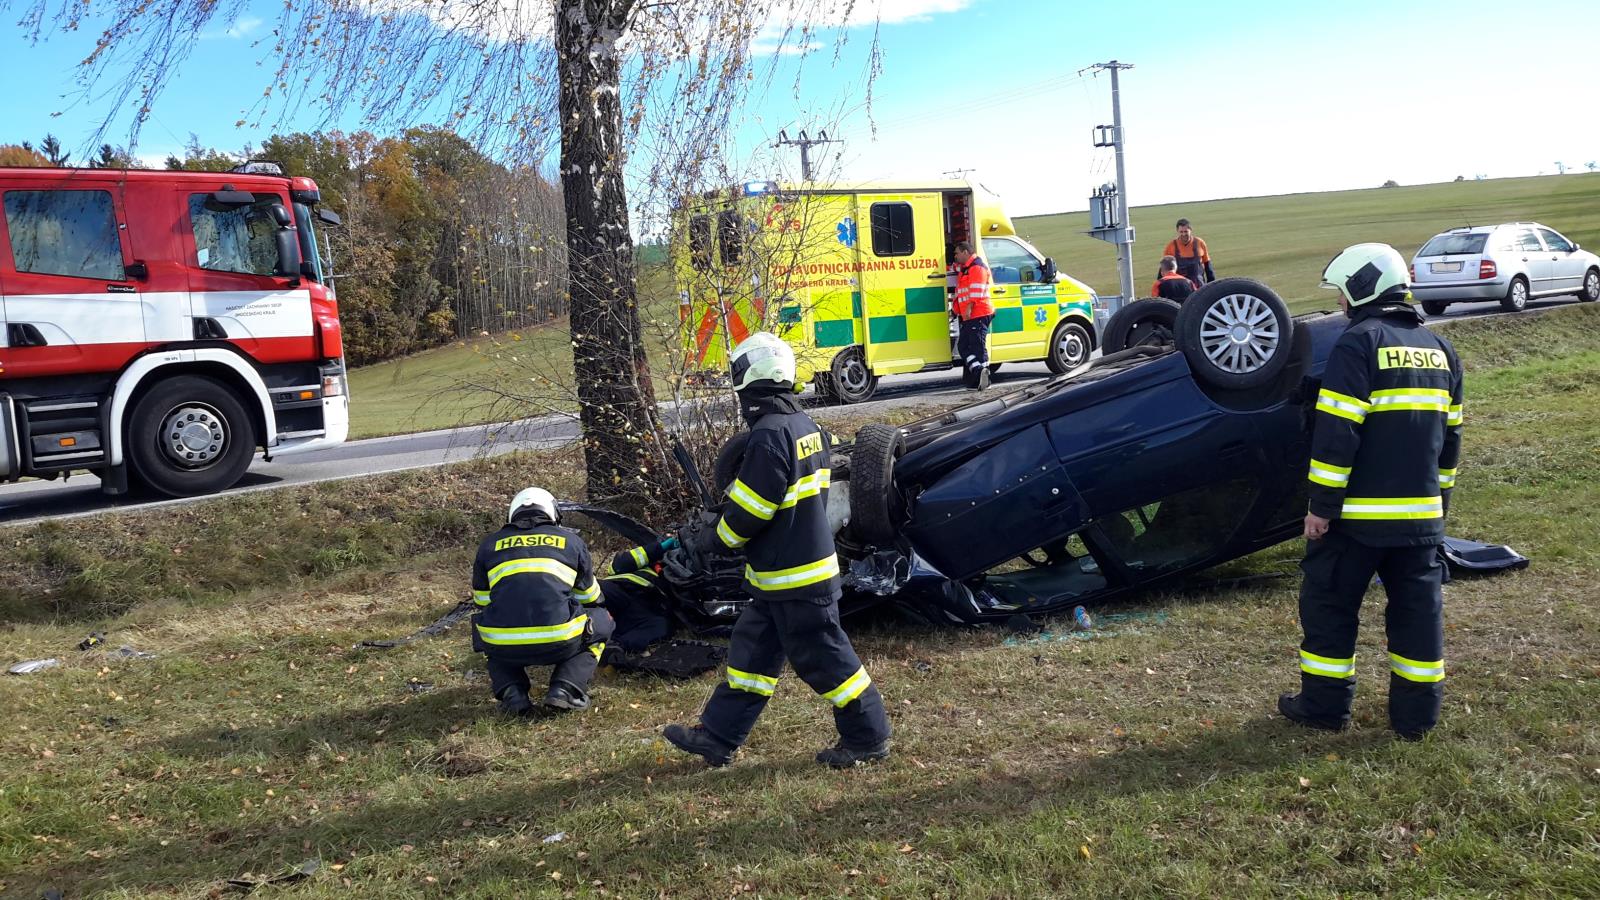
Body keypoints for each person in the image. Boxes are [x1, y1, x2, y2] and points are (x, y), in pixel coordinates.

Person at [664, 333, 892, 768]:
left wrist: (709, 543)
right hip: (780, 575)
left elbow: (751, 512)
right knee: (750, 657)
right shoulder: (805, 426)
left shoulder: (769, 436)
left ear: (750, 377)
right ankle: (717, 737)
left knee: (826, 660)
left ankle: (868, 737)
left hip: (795, 578)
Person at [1278, 243, 1464, 741]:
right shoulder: (1441, 350)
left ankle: (1324, 707)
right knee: (1418, 617)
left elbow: (1337, 434)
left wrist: (1321, 508)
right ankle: (1416, 719)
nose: (1340, 302)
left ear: (1363, 287)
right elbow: (1450, 443)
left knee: (1329, 607)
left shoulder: (1358, 343)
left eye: (1342, 292)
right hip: (1421, 523)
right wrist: (1438, 511)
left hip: (1356, 523)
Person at [470, 487, 614, 715]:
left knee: (486, 626)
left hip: (503, 646)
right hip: (559, 641)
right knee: (603, 620)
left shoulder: (489, 545)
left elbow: (482, 601)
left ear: (512, 514)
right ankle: (566, 689)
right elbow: (591, 597)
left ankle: (512, 693)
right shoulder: (571, 541)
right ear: (554, 513)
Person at [950, 241, 995, 390]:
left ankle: (985, 379)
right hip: (969, 315)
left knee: (978, 346)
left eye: (957, 253)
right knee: (963, 346)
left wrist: (968, 309)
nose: (955, 256)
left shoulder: (977, 267)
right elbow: (960, 291)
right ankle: (978, 371)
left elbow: (976, 292)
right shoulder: (966, 268)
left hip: (978, 313)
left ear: (965, 252)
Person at [1164, 218, 1215, 287]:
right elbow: (1165, 268)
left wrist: (1212, 285)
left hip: (1199, 286)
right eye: (1181, 232)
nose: (1183, 234)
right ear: (1177, 231)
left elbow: (1208, 267)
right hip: (1180, 286)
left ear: (1191, 230)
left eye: (1186, 231)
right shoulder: (1170, 246)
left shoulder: (1200, 243)